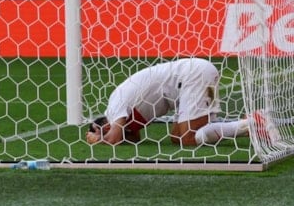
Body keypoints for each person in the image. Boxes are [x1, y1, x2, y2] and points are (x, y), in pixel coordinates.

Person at [86, 58, 279, 146]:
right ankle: (248, 125)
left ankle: (252, 123)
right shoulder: (125, 118)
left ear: (105, 125)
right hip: (196, 78)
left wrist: (99, 140)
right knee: (177, 138)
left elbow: (114, 138)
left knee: (188, 138)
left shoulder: (114, 108)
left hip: (193, 77)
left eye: (105, 130)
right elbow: (134, 139)